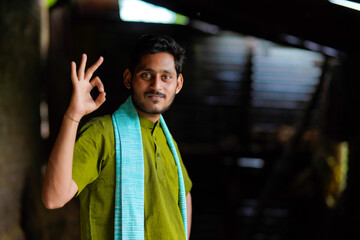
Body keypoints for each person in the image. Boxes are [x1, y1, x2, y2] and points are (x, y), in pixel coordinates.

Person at [42, 34, 192, 240]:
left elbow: (184, 195)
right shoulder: (102, 133)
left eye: (166, 77)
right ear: (129, 79)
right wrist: (73, 114)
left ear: (178, 84)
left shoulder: (168, 142)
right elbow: (53, 198)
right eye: (147, 75)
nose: (157, 86)